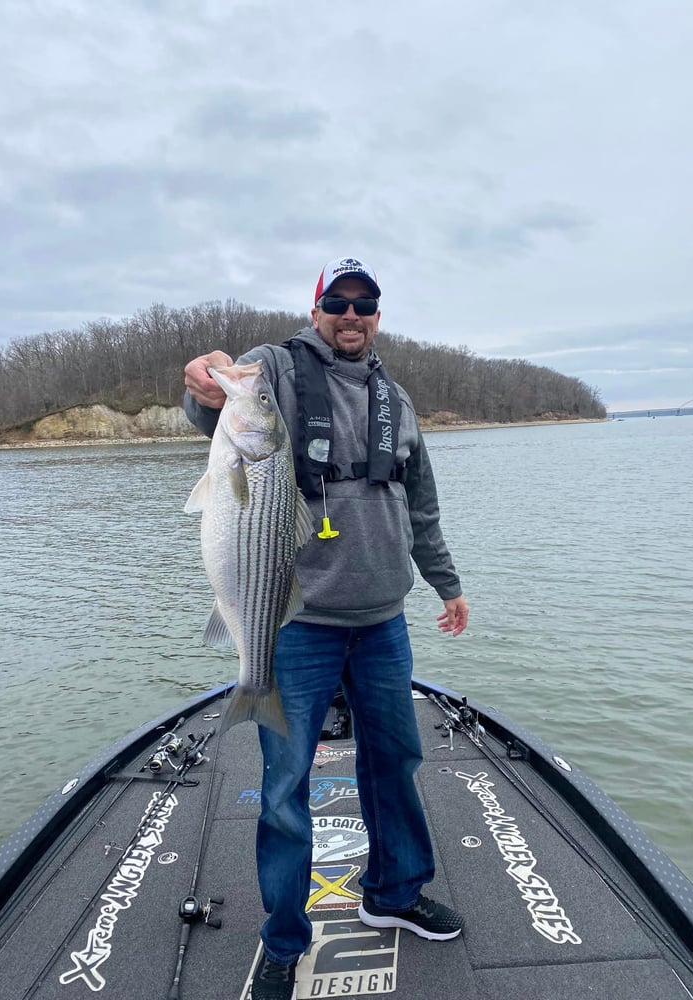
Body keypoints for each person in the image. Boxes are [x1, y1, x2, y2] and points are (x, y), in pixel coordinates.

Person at [184, 256, 470, 1000]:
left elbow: (423, 507)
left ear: (377, 317)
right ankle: (283, 939)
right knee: (284, 790)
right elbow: (214, 398)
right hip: (298, 623)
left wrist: (449, 585)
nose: (351, 315)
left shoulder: (396, 399)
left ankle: (396, 891)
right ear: (316, 311)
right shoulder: (274, 371)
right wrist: (207, 383)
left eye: (365, 305)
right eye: (337, 303)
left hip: (383, 624)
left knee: (396, 764)